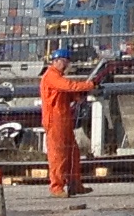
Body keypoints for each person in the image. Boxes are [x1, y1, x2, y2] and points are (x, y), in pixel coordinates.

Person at [38, 47, 104, 197]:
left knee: (73, 153)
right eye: (65, 62)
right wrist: (90, 85)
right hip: (55, 121)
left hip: (64, 120)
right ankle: (57, 187)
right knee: (58, 155)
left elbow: (66, 93)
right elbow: (68, 86)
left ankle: (75, 184)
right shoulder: (51, 76)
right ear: (56, 61)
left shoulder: (57, 77)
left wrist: (77, 97)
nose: (67, 65)